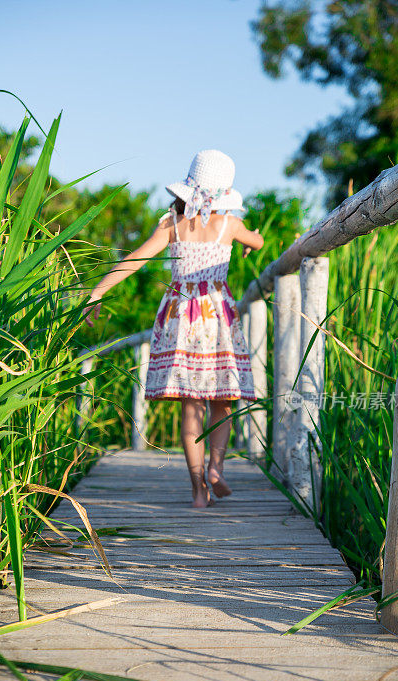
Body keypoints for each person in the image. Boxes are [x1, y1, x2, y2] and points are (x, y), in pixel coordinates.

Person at [85, 149, 264, 508]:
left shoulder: (171, 224)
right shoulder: (229, 225)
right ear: (224, 192)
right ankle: (216, 467)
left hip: (180, 317)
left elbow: (135, 259)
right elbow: (257, 241)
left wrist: (98, 290)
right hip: (215, 318)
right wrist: (249, 241)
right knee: (223, 401)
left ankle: (198, 491)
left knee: (190, 406)